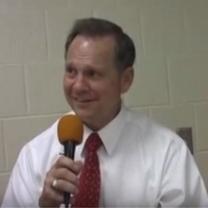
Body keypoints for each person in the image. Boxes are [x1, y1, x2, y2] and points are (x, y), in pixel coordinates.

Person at [1, 17, 208, 207]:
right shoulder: (34, 156)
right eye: (71, 71)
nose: (78, 86)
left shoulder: (168, 154)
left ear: (125, 80)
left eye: (92, 74)